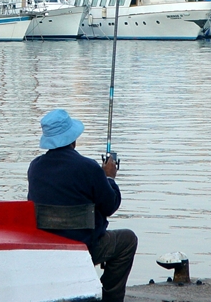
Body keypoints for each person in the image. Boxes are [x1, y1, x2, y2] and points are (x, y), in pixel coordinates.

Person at [27, 108, 137, 302]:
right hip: (84, 248)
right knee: (128, 240)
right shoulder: (89, 167)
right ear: (73, 139)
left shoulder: (35, 167)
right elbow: (110, 205)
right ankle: (110, 297)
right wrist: (109, 177)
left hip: (46, 250)